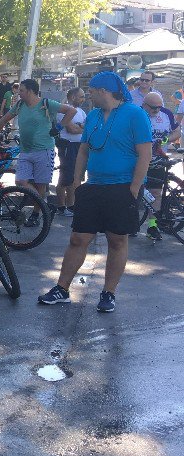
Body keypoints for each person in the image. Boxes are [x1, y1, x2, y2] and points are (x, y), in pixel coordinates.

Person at [38, 72, 154, 312]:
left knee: (117, 241)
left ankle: (108, 293)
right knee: (78, 238)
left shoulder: (135, 115)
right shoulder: (92, 116)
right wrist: (78, 182)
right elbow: (83, 150)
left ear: (104, 91)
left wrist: (133, 188)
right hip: (94, 186)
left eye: (91, 90)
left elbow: (145, 154)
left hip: (122, 188)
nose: (88, 94)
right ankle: (62, 289)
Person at [0, 78, 79, 227]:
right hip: (25, 151)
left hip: (44, 150)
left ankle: (36, 214)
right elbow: (3, 120)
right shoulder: (19, 105)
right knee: (20, 181)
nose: (19, 94)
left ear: (31, 91)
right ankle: (45, 206)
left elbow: (71, 111)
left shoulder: (46, 103)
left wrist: (59, 127)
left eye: (22, 91)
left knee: (40, 185)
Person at [140, 91, 181, 241]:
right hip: (138, 160)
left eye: (159, 107)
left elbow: (177, 132)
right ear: (144, 105)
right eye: (153, 108)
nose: (157, 110)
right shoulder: (137, 114)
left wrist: (164, 141)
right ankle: (130, 223)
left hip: (158, 159)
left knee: (156, 193)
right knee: (133, 192)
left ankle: (152, 226)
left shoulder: (166, 114)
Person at [55, 87, 87, 217]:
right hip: (68, 145)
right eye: (81, 96)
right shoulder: (63, 110)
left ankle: (71, 205)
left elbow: (86, 127)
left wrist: (79, 127)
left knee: (76, 176)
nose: (83, 99)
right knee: (66, 176)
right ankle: (63, 207)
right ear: (73, 97)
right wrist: (81, 128)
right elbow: (71, 130)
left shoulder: (82, 112)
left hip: (79, 145)